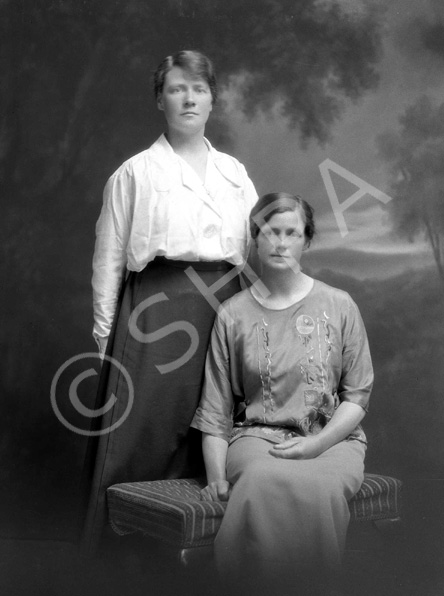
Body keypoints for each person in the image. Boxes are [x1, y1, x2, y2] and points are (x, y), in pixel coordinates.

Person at [81, 50, 258, 553]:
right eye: (178, 88)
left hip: (225, 307)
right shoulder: (134, 174)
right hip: (153, 314)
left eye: (198, 89)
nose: (188, 98)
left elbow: (258, 250)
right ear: (160, 99)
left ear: (212, 100)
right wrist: (106, 340)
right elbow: (108, 261)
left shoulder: (234, 173)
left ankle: (210, 550)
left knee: (218, 426)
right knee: (145, 433)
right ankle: (126, 556)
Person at [191, 192, 373, 594]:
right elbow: (216, 412)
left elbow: (357, 396)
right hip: (257, 437)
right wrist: (217, 478)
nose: (279, 242)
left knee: (320, 488)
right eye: (270, 232)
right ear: (255, 239)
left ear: (306, 241)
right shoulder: (232, 314)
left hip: (331, 438)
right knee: (260, 478)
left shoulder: (340, 305)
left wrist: (317, 445)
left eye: (291, 232)